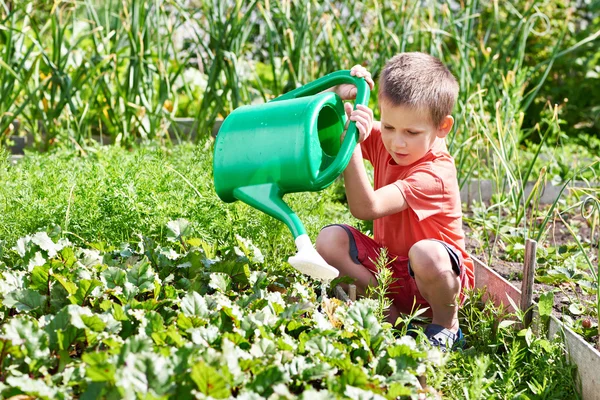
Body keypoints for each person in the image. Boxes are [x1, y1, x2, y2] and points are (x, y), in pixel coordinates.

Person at [316, 52, 475, 351]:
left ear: (442, 127)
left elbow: (366, 208)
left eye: (412, 132)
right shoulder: (388, 140)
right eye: (388, 126)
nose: (396, 142)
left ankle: (446, 326)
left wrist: (351, 145)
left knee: (426, 253)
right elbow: (324, 130)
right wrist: (338, 97)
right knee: (329, 240)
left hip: (435, 281)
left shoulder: (434, 173)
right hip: (390, 272)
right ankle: (390, 317)